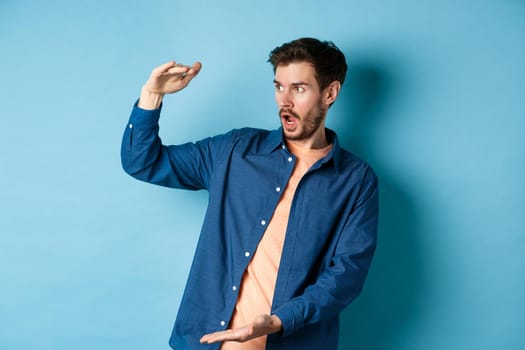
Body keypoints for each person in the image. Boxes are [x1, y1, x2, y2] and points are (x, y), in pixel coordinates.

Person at [121, 37, 379, 350]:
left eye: (298, 88)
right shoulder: (234, 150)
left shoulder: (355, 180)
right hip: (205, 343)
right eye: (279, 86)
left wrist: (280, 320)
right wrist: (152, 95)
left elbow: (345, 276)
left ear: (330, 93)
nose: (285, 100)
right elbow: (143, 162)